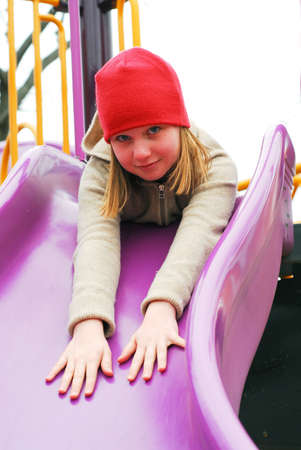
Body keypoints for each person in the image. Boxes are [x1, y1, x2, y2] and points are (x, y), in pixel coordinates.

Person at [46, 47, 238, 399]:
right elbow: (96, 240)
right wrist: (88, 325)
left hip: (175, 268)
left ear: (178, 121)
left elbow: (199, 233)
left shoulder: (214, 166)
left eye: (154, 130)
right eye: (123, 138)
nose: (141, 152)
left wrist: (162, 308)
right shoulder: (101, 173)